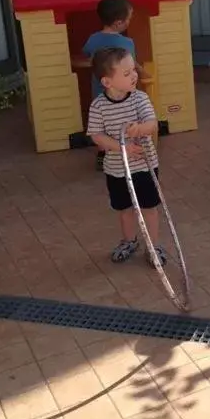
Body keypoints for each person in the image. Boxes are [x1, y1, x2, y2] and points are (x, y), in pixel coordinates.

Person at [86, 46, 166, 266]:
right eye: (127, 73)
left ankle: (154, 245)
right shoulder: (99, 106)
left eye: (134, 70)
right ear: (107, 82)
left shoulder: (139, 99)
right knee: (124, 209)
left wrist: (140, 129)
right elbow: (96, 135)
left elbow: (152, 124)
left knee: (149, 207)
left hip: (143, 166)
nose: (134, 75)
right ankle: (129, 241)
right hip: (116, 170)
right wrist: (121, 147)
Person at [79, 0, 147, 169]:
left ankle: (104, 154)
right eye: (129, 18)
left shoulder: (93, 39)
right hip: (123, 92)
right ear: (119, 23)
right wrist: (142, 72)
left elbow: (87, 57)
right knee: (124, 120)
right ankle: (129, 151)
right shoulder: (126, 42)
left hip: (100, 91)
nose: (130, 21)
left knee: (103, 125)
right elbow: (131, 64)